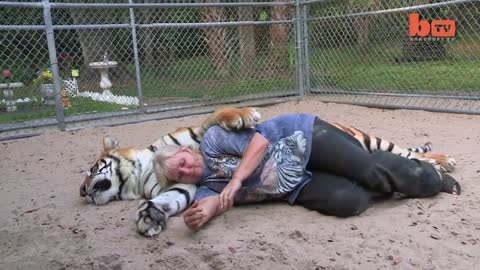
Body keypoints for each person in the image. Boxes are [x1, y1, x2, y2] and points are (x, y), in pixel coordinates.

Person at [154, 113, 460, 231]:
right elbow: (208, 203)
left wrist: (236, 180)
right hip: (297, 183)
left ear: (186, 151)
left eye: (181, 163)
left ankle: (433, 178)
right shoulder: (207, 187)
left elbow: (260, 142)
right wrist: (200, 216)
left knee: (368, 168)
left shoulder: (211, 141)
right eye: (179, 176)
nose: (186, 170)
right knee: (349, 202)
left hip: (305, 139)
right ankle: (384, 177)